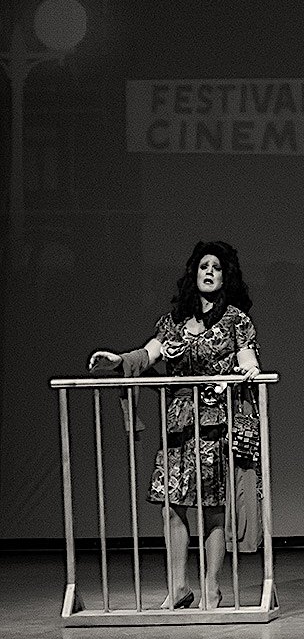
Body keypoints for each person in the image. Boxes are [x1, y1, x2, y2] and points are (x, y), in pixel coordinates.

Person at [88, 241, 261, 609]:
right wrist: (117, 359)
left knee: (213, 507)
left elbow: (247, 356)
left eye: (216, 266)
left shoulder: (235, 321)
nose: (209, 271)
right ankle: (179, 588)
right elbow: (147, 354)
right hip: (179, 426)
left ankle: (211, 587)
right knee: (172, 505)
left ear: (225, 275)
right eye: (203, 266)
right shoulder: (174, 323)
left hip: (215, 424)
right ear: (193, 274)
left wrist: (246, 370)